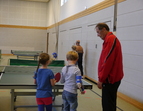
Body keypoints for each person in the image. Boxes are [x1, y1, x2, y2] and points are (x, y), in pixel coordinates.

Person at [95, 23, 124, 111]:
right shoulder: (108, 40)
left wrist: (101, 79)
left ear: (104, 29)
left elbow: (107, 61)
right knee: (108, 104)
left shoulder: (111, 39)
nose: (98, 35)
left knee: (108, 105)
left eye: (98, 32)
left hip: (110, 79)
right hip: (109, 79)